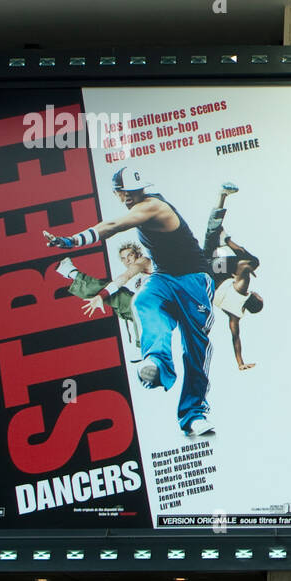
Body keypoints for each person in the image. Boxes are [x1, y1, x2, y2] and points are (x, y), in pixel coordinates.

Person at [45, 166, 215, 437]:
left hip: (194, 280)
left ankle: (193, 413)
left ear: (142, 189)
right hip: (164, 278)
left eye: (133, 192)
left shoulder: (152, 207)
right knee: (144, 300)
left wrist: (71, 240)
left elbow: (113, 226)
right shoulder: (136, 223)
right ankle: (156, 362)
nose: (128, 197)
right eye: (123, 193)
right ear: (117, 192)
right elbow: (123, 271)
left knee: (194, 346)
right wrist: (101, 293)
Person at [202, 184, 264, 371]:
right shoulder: (234, 316)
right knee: (211, 232)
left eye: (259, 295)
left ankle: (226, 240)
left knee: (253, 261)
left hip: (212, 268)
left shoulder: (242, 288)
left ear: (255, 297)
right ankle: (222, 196)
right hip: (203, 275)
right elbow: (235, 338)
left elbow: (245, 264)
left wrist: (247, 270)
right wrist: (240, 362)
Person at [61, 241, 148, 344]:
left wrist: (102, 295)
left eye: (130, 255)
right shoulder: (139, 278)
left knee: (125, 298)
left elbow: (124, 277)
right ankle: (73, 274)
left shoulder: (144, 261)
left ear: (137, 254)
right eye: (123, 258)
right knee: (119, 295)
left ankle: (73, 274)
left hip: (165, 306)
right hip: (152, 312)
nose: (127, 260)